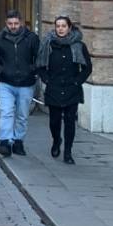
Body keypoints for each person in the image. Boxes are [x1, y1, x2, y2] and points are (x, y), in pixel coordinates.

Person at [37, 15, 92, 164]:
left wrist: (77, 81)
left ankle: (68, 152)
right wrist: (47, 80)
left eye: (63, 26)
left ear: (69, 28)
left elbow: (87, 68)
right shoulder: (48, 44)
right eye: (58, 26)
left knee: (69, 121)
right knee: (54, 121)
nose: (60, 29)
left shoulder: (79, 45)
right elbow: (40, 66)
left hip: (71, 89)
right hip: (54, 88)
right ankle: (56, 140)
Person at [0, 9, 41, 157]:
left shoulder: (32, 38)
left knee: (22, 115)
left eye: (16, 23)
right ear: (6, 23)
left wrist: (31, 70)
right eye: (10, 23)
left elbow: (39, 57)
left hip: (26, 83)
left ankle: (18, 141)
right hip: (6, 83)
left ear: (21, 22)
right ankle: (5, 141)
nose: (13, 26)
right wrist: (1, 70)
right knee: (6, 112)